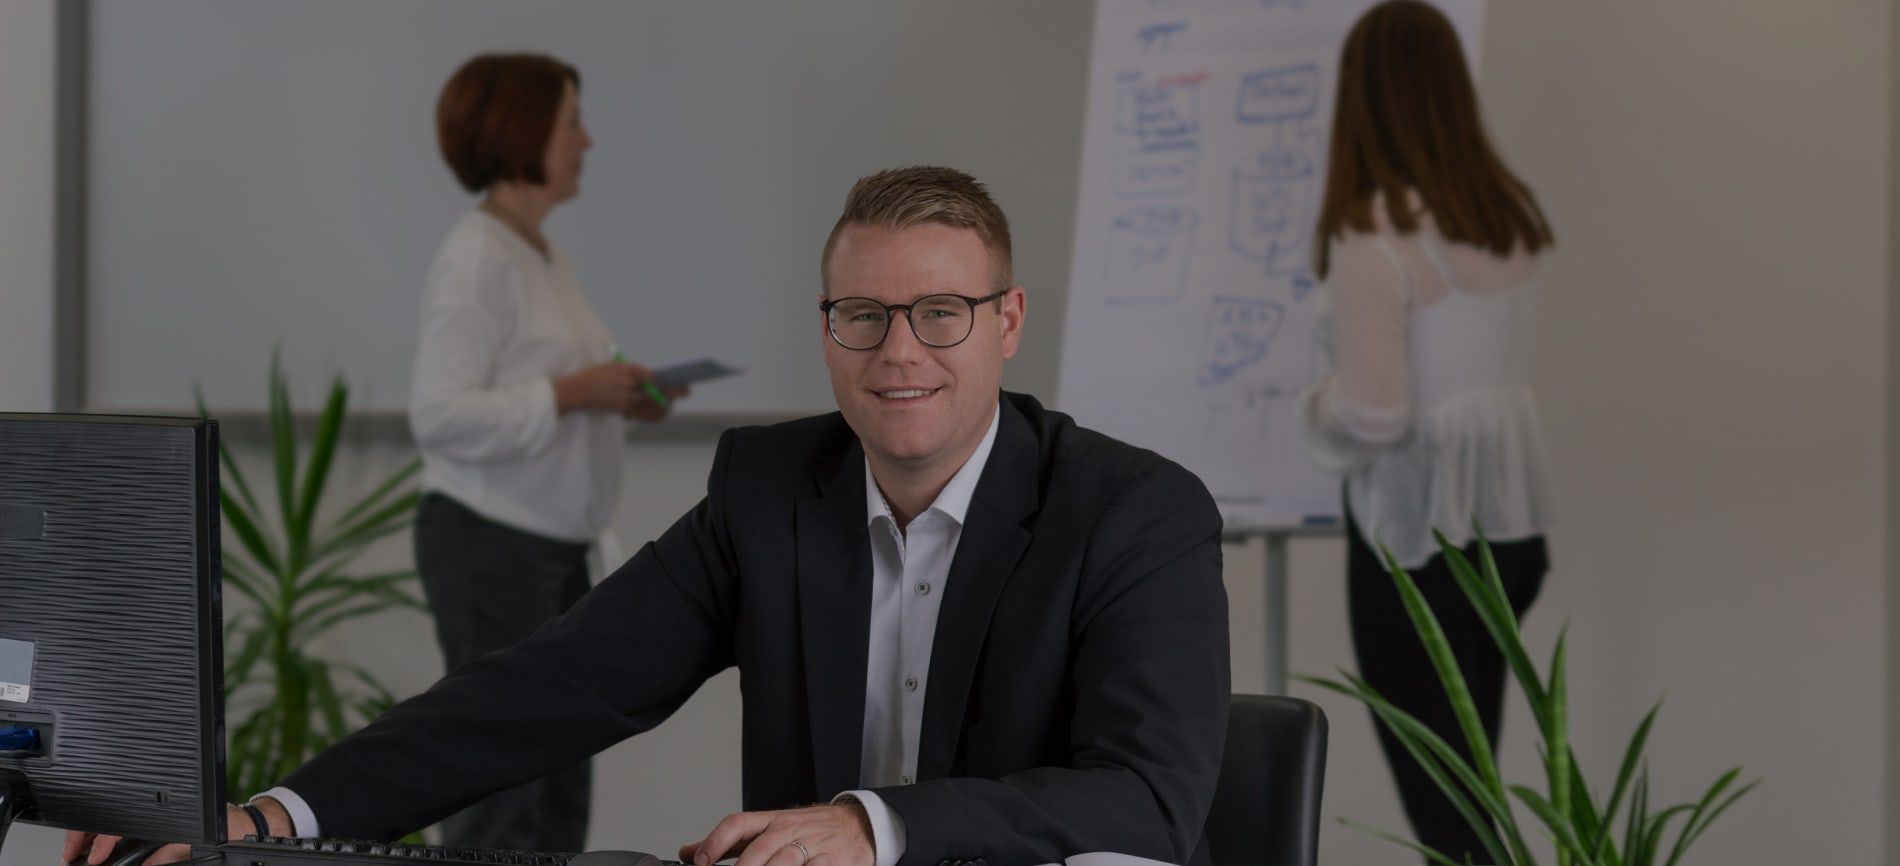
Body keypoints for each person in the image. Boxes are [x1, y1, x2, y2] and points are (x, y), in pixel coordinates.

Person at [69, 166, 1230, 866]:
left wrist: (871, 827)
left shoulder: (1134, 512)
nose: (899, 352)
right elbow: (548, 687)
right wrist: (272, 816)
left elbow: (1148, 794)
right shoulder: (774, 490)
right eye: (861, 314)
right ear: (825, 324)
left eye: (941, 311)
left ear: (1009, 319)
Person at [1297, 3, 1556, 863]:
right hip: (1509, 533)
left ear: (1362, 97)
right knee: (1475, 789)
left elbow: (1377, 414)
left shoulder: (1375, 235)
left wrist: (1314, 406)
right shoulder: (1505, 215)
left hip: (1416, 542)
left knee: (1449, 815)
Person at [411, 52, 685, 853]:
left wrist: (622, 396)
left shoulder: (538, 250)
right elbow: (438, 414)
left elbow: (547, 392)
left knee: (560, 772)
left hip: (552, 551)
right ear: (523, 129)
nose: (588, 140)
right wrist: (572, 392)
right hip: (493, 548)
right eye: (573, 121)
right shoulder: (477, 256)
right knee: (501, 788)